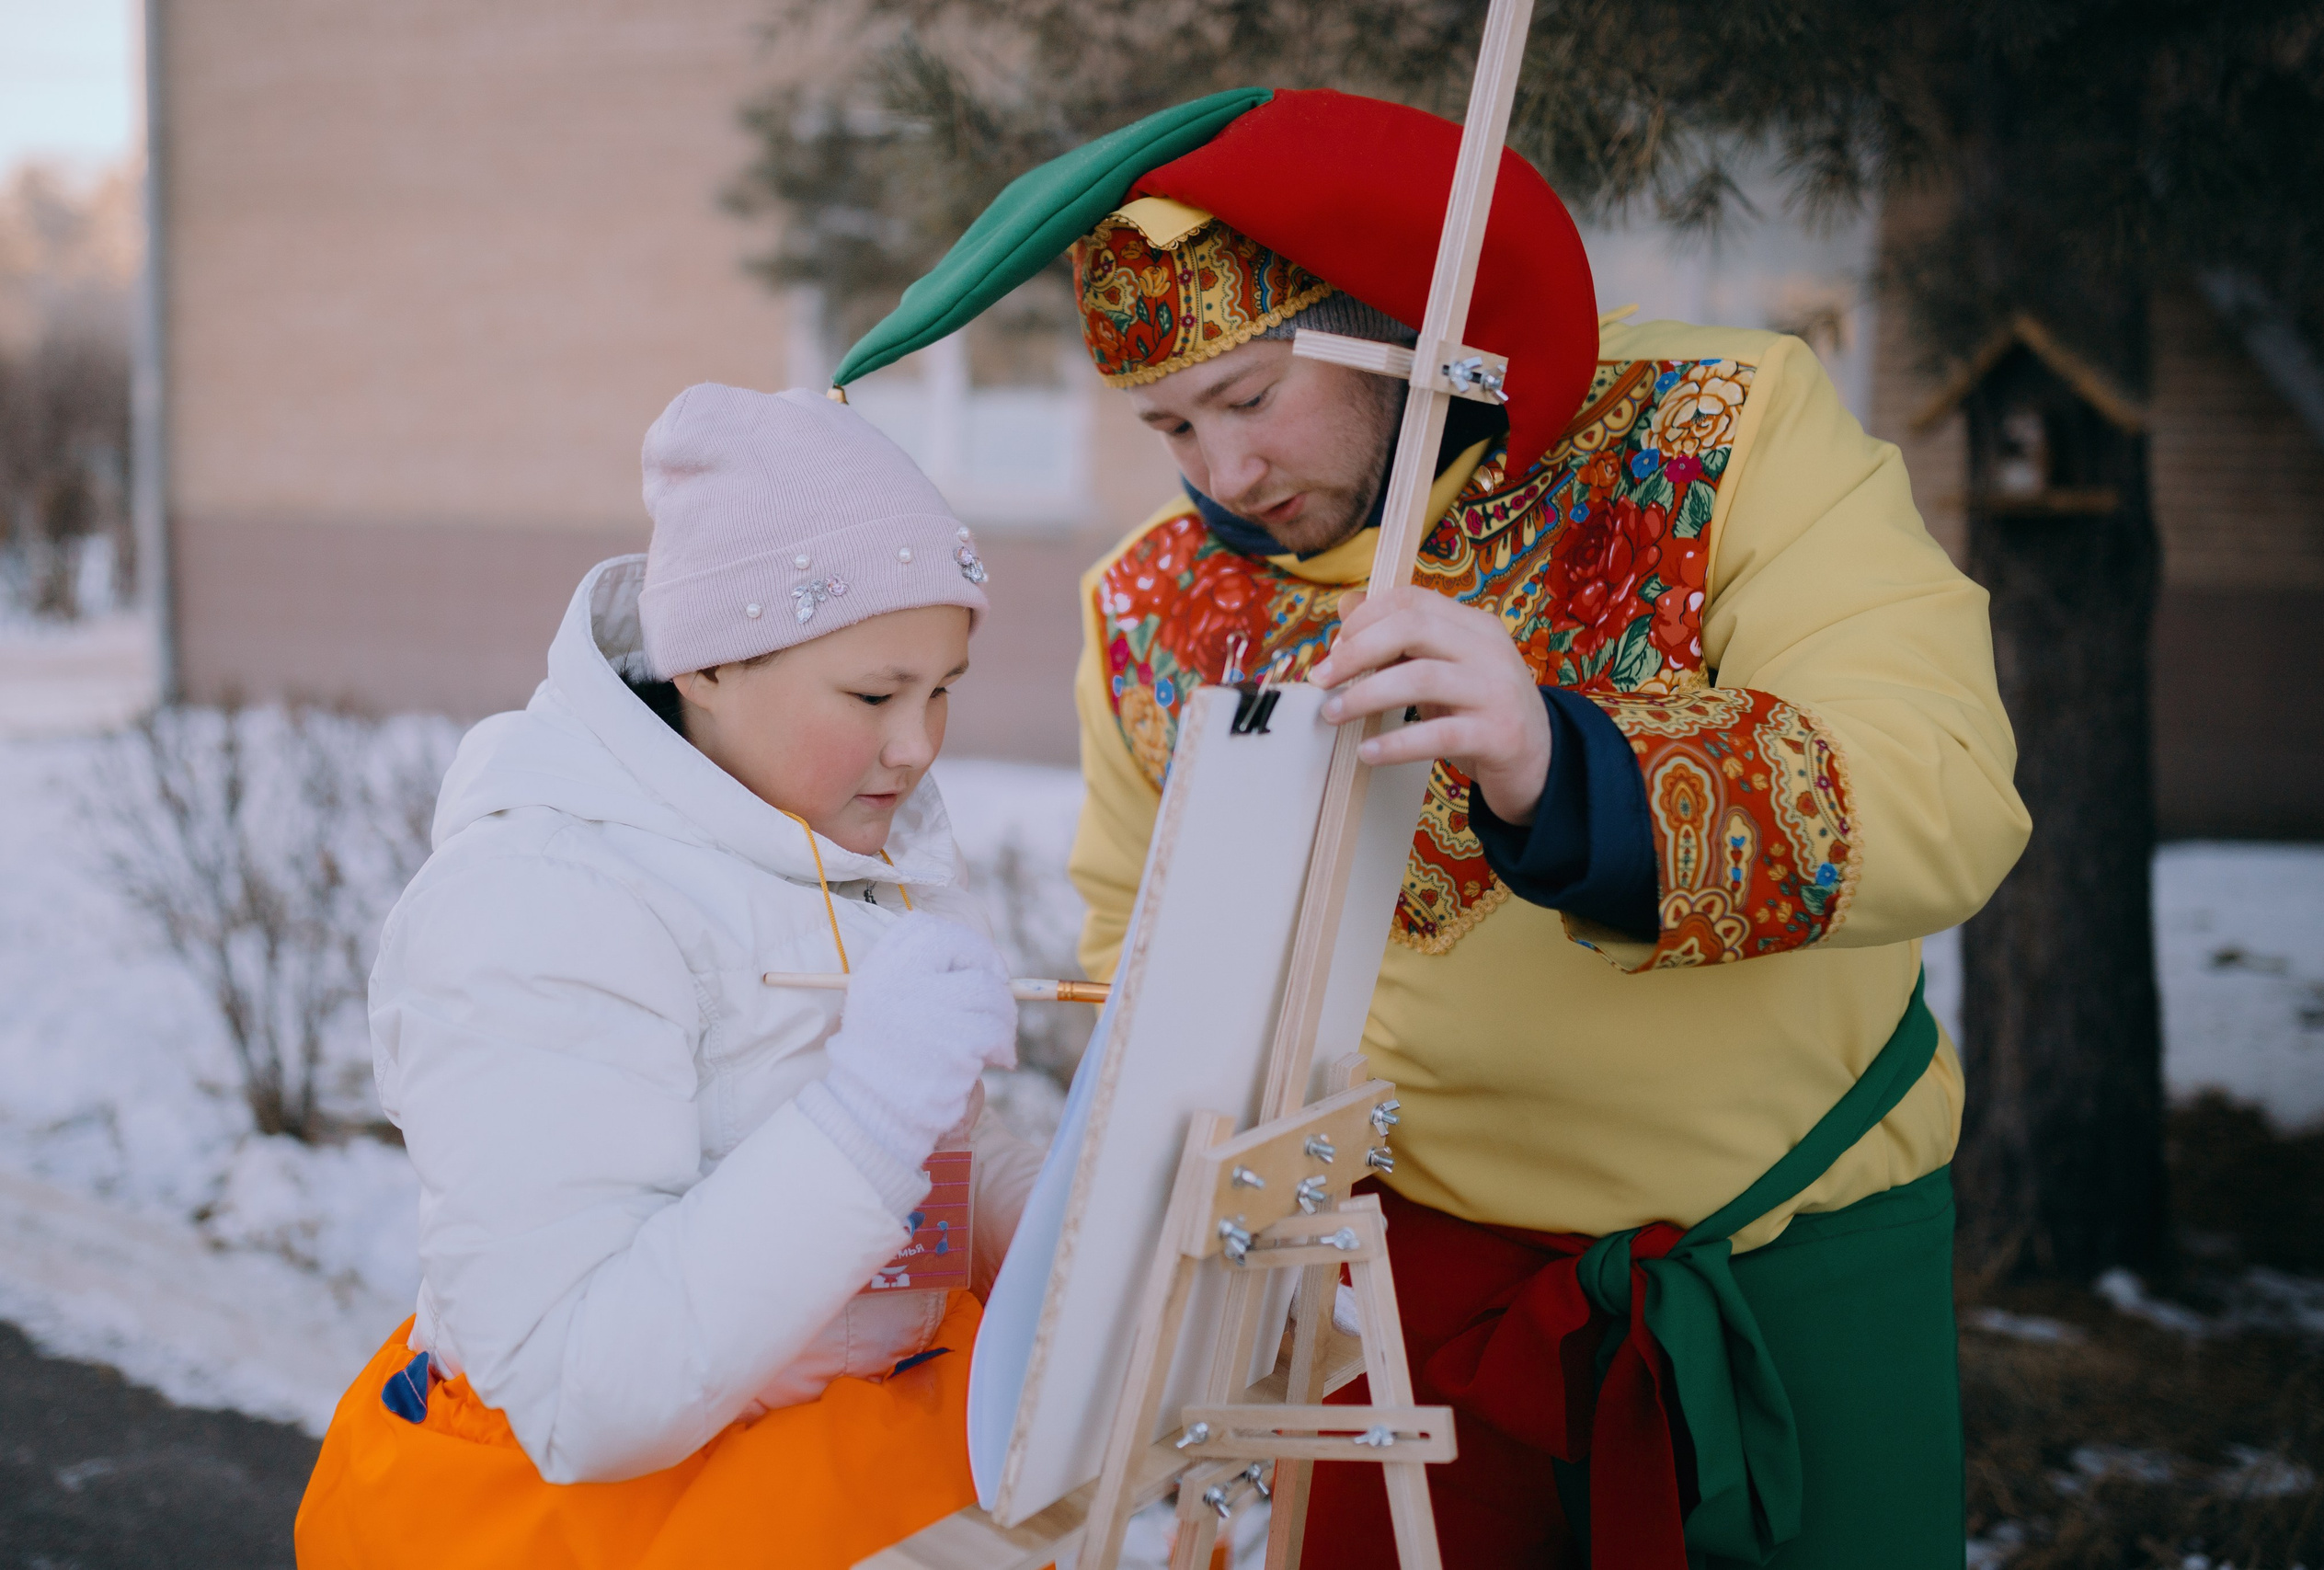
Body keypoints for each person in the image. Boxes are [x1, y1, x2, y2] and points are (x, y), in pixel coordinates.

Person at [830, 89, 2032, 1568]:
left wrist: (1561, 758)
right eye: (1170, 423)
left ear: (1399, 325)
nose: (1224, 473)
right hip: (1394, 1302)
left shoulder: (1718, 434)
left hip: (1781, 1263)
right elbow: (1145, 968)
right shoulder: (1150, 607)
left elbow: (1942, 785)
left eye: (1256, 394)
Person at [294, 385, 1042, 1569]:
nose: (918, 745)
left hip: (844, 1483)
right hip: (606, 1527)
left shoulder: (842, 840)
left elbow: (931, 1170)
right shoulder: (542, 904)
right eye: (873, 695)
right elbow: (578, 1385)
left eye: (942, 689)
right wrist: (864, 1117)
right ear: (707, 663)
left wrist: (1059, 1214)